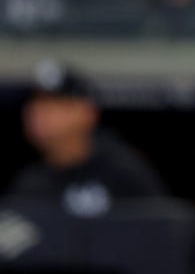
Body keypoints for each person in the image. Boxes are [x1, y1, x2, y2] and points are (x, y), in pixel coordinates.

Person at [6, 59, 167, 215]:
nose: (40, 114)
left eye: (57, 105)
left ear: (89, 113)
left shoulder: (122, 173)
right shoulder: (29, 184)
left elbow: (160, 233)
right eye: (35, 105)